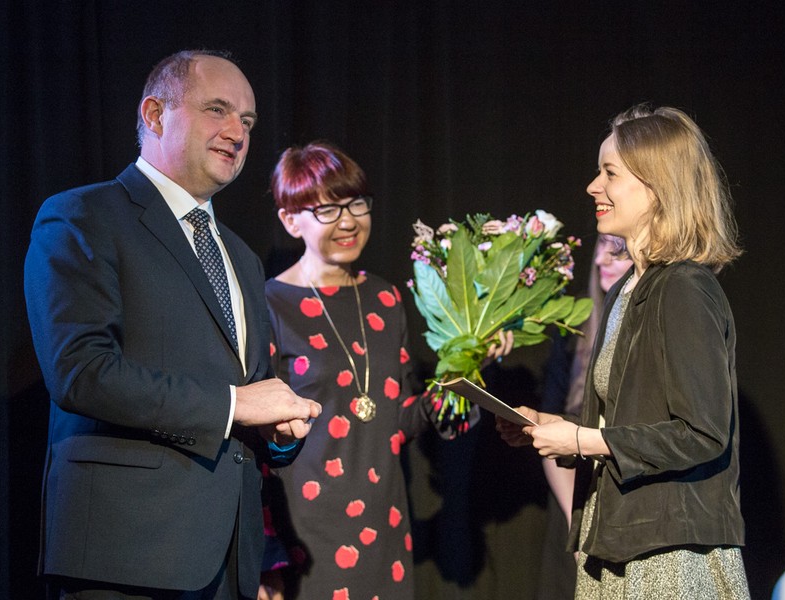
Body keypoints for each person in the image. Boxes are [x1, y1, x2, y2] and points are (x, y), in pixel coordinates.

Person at [24, 50, 322, 600]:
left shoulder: (241, 256)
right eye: (218, 110)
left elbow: (248, 394)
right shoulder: (83, 216)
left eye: (249, 122)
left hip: (228, 563)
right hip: (126, 556)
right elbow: (80, 372)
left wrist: (273, 430)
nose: (237, 132)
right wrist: (235, 406)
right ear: (156, 115)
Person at [498, 104, 750, 598]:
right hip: (617, 539)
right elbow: (631, 418)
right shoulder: (626, 290)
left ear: (658, 187)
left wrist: (581, 441)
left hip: (670, 553)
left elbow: (701, 433)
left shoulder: (683, 287)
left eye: (609, 173)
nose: (593, 186)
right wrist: (551, 428)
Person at [258, 141, 511, 599]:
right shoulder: (269, 304)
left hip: (385, 524)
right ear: (290, 220)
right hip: (305, 533)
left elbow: (400, 420)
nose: (350, 220)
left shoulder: (385, 298)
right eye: (329, 210)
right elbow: (256, 445)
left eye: (357, 204)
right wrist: (266, 554)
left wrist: (470, 364)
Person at [537, 234, 632, 599]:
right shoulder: (572, 333)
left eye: (617, 251)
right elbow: (551, 423)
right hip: (575, 502)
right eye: (599, 249)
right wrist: (576, 523)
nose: (603, 260)